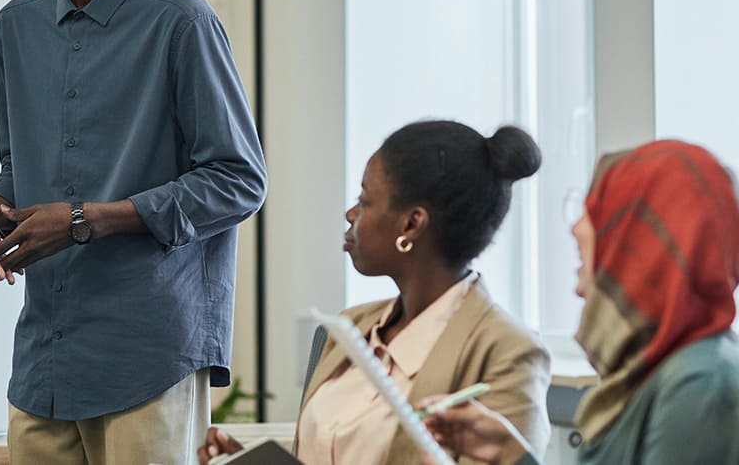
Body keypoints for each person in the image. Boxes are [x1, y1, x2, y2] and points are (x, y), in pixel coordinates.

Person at [0, 0, 268, 465]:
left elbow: (239, 180)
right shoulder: (16, 24)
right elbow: (20, 165)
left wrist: (84, 220)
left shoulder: (183, 22)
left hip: (148, 357)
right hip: (44, 360)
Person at [201, 120, 551, 465]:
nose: (351, 213)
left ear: (411, 224)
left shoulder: (507, 353)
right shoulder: (349, 327)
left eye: (365, 200)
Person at [424, 139, 739, 464]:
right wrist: (511, 452)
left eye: (598, 210)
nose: (576, 228)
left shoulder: (700, 385)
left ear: (642, 242)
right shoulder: (669, 366)